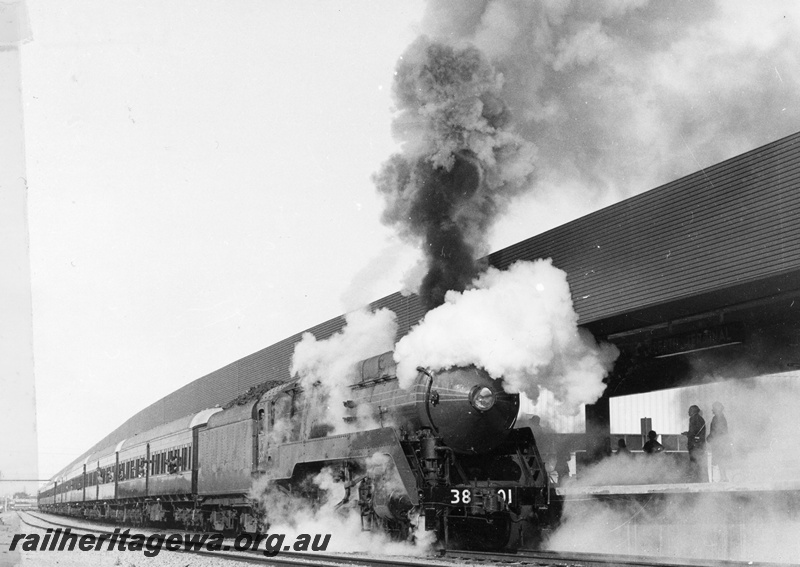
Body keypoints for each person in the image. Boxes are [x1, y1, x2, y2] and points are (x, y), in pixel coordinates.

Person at [682, 404, 708, 482]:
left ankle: (695, 479)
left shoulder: (693, 419)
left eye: (689, 410)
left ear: (693, 411)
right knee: (700, 461)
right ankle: (701, 478)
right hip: (701, 444)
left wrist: (687, 434)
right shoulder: (701, 419)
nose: (688, 412)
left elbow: (693, 432)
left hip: (694, 445)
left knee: (694, 461)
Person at [707, 401, 731, 481]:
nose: (712, 410)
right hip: (721, 442)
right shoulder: (721, 417)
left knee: (720, 460)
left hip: (719, 443)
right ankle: (723, 477)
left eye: (713, 408)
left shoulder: (717, 418)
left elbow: (716, 431)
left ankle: (723, 477)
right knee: (721, 460)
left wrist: (710, 437)